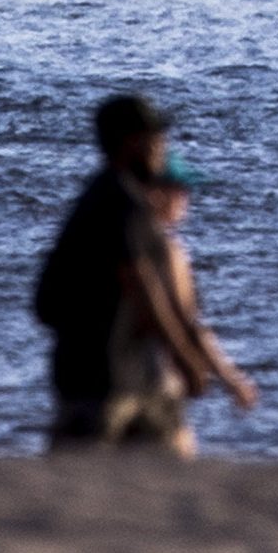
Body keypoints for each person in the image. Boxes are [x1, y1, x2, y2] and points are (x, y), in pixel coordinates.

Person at [33, 90, 258, 451]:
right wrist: (187, 357)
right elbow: (143, 286)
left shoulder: (97, 195)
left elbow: (47, 302)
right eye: (156, 139)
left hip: (111, 374)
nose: (161, 147)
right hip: (106, 379)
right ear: (133, 142)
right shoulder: (126, 206)